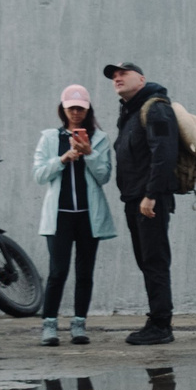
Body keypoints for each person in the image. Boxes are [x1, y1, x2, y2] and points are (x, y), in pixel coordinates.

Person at [106, 63, 182, 346]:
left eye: (122, 73)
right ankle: (157, 318)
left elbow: (164, 153)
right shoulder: (131, 112)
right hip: (135, 199)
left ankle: (162, 325)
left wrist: (151, 194)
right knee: (146, 260)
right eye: (113, 75)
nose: (117, 77)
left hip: (150, 200)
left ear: (141, 78)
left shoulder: (156, 108)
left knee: (155, 260)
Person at [32, 84, 114, 347]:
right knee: (58, 271)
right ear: (63, 109)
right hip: (60, 216)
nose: (76, 113)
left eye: (80, 108)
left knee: (85, 271)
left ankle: (79, 323)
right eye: (71, 108)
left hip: (88, 216)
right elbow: (39, 175)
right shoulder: (49, 138)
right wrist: (63, 158)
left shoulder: (100, 138)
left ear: (88, 110)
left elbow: (104, 176)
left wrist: (89, 154)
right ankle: (49, 325)